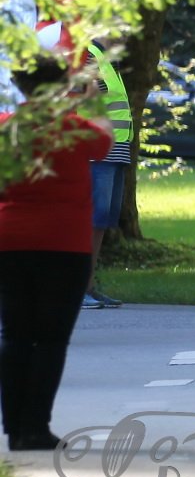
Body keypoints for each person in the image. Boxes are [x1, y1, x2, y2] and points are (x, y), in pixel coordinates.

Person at [0, 57, 112, 451]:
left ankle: (14, 427)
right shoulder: (73, 129)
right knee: (50, 339)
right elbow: (106, 141)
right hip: (64, 244)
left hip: (9, 241)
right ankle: (36, 426)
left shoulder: (6, 128)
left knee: (15, 334)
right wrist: (91, 100)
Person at [84, 40, 131, 309]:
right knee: (91, 221)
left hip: (115, 150)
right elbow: (87, 95)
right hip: (97, 150)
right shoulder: (88, 53)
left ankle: (88, 286)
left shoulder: (107, 58)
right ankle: (79, 289)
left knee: (101, 222)